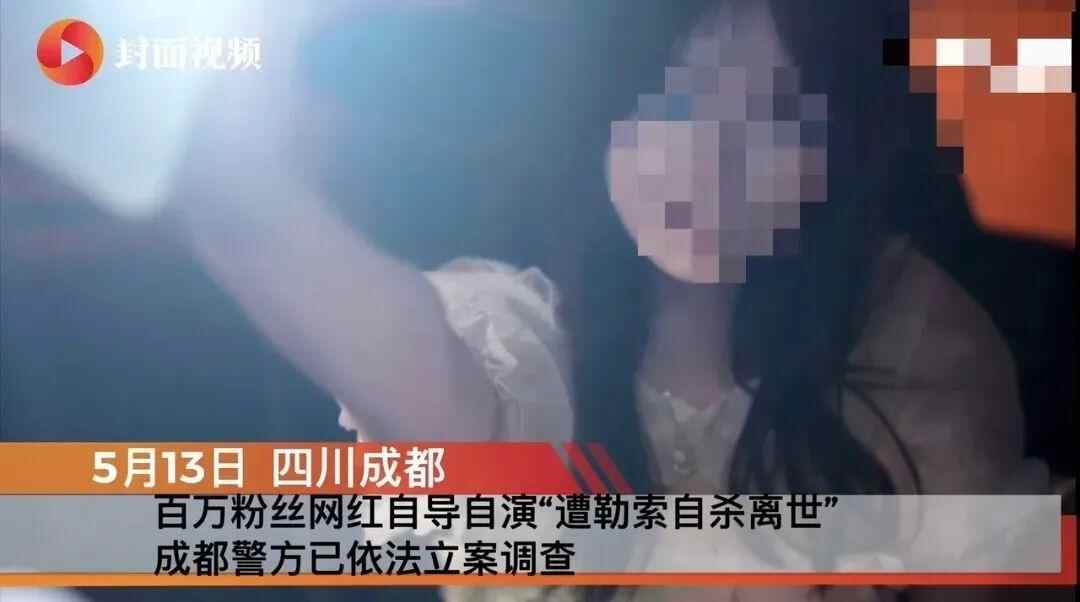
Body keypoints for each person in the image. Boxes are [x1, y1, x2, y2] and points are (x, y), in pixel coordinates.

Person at [169, 1, 1052, 601]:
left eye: (781, 115)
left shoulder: (911, 343)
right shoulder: (517, 342)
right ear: (610, 111)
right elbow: (276, 245)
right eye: (682, 98)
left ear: (834, 156)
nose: (715, 158)